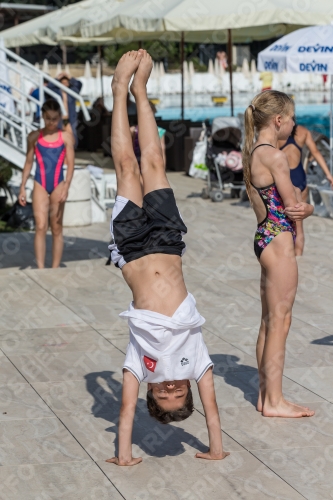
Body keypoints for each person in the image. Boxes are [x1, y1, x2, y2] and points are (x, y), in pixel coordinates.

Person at [105, 50, 229, 466]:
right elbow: (212, 412)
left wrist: (124, 457)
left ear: (151, 391)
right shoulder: (196, 361)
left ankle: (119, 89)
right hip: (168, 242)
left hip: (133, 247)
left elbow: (124, 413)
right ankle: (142, 89)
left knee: (126, 165)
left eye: (164, 392)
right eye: (179, 392)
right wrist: (215, 449)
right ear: (190, 389)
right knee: (154, 161)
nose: (172, 386)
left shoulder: (139, 365)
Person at [242, 90, 315, 418]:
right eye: (293, 117)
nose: (295, 124)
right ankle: (274, 401)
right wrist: (309, 209)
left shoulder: (253, 150)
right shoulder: (274, 155)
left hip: (263, 237)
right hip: (279, 239)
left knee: (268, 322)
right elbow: (293, 207)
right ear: (279, 120)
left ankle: (264, 395)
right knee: (280, 323)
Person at [18, 99, 74, 269]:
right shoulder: (34, 136)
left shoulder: (65, 136)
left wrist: (66, 187)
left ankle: (55, 268)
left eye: (55, 118)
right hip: (40, 183)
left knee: (56, 228)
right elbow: (28, 163)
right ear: (42, 116)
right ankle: (41, 268)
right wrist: (22, 187)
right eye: (48, 118)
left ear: (59, 117)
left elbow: (71, 164)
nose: (51, 122)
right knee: (41, 226)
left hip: (58, 184)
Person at [278, 123, 333, 255]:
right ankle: (298, 256)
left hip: (284, 180)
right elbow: (315, 152)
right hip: (300, 178)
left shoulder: (277, 133)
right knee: (299, 225)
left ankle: (286, 256)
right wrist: (329, 175)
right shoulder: (303, 132)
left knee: (281, 222)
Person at [47, 72, 82, 147]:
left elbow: (79, 84)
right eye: (62, 83)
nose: (65, 84)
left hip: (70, 119)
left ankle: (71, 150)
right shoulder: (56, 93)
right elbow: (49, 87)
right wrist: (57, 78)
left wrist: (70, 77)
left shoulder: (71, 93)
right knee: (59, 136)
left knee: (72, 137)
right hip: (59, 118)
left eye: (66, 82)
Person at [130, 101, 166, 168]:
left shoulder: (159, 131)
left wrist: (162, 168)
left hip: (151, 165)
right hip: (138, 165)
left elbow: (162, 152)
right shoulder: (133, 130)